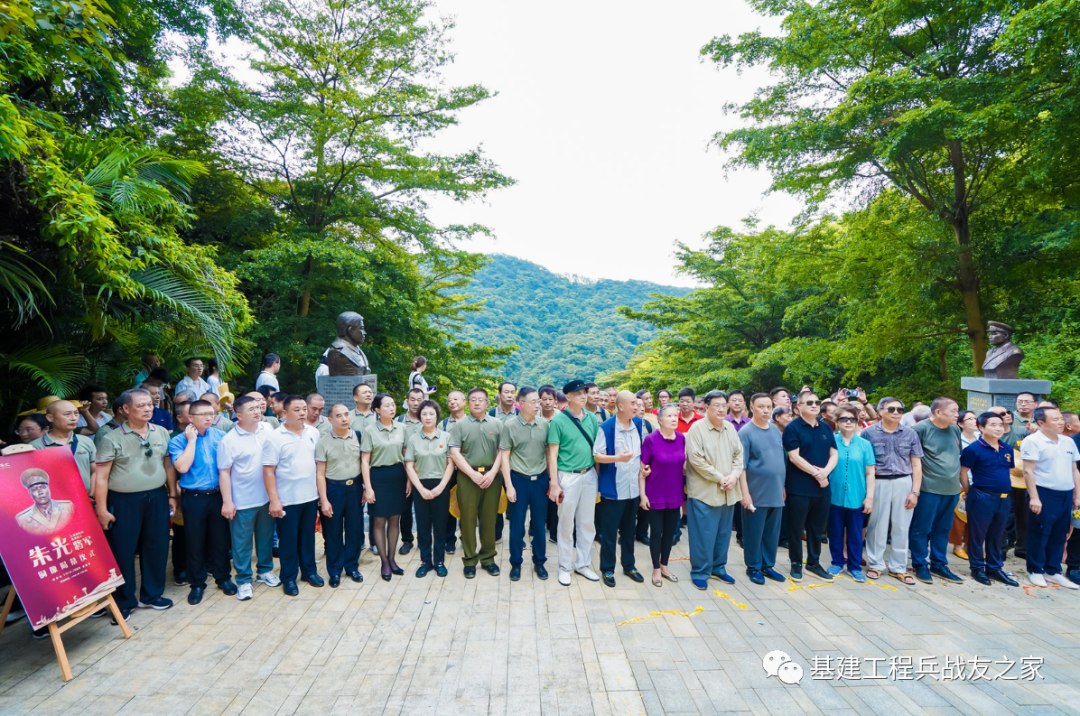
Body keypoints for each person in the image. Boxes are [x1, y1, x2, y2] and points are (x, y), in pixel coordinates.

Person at [95, 388, 176, 621]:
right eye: (141, 405)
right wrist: (101, 509)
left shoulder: (160, 431)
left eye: (150, 404)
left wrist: (172, 494)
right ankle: (124, 600)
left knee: (157, 546)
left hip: (157, 497)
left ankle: (152, 595)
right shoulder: (111, 438)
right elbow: (101, 477)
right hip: (123, 501)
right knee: (123, 550)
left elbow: (168, 465)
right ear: (125, 409)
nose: (148, 408)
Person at [169, 399, 236, 605]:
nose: (210, 418)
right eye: (204, 414)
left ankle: (223, 578)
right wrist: (191, 441)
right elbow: (182, 467)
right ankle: (197, 583)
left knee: (220, 540)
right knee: (195, 541)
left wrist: (228, 499)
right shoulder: (179, 441)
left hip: (218, 495)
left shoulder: (221, 436)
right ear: (190, 418)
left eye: (212, 413)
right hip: (194, 497)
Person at [218, 395, 279, 602]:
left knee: (265, 538)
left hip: (266, 497)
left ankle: (265, 571)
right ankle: (244, 580)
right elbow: (224, 472)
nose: (257, 411)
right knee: (242, 543)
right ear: (238, 415)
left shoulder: (268, 429)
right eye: (251, 409)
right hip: (242, 500)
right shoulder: (229, 440)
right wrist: (228, 501)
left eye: (258, 407)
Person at [263, 395, 323, 596]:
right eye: (297, 410)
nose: (302, 413)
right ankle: (288, 578)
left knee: (308, 538)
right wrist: (274, 500)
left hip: (310, 496)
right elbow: (269, 471)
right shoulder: (274, 437)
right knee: (288, 541)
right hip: (287, 499)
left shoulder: (313, 433)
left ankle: (309, 572)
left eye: (304, 409)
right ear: (285, 413)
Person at [683, 390, 743, 589]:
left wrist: (734, 476)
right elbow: (696, 460)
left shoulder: (730, 428)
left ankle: (718, 567)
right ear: (706, 407)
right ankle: (700, 571)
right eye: (716, 405)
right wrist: (720, 478)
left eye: (723, 405)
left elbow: (738, 455)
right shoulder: (697, 429)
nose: (721, 409)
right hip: (704, 492)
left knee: (723, 533)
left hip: (728, 491)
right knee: (703, 534)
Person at [862, 397, 924, 585]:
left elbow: (917, 464)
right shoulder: (868, 433)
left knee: (902, 526)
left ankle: (898, 567)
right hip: (878, 481)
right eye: (891, 409)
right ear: (880, 411)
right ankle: (876, 564)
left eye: (899, 409)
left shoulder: (910, 434)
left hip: (903, 482)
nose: (896, 412)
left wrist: (915, 491)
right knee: (877, 525)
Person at [547, 378, 601, 586]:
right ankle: (564, 567)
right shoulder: (559, 421)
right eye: (578, 393)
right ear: (568, 397)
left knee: (587, 523)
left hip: (589, 474)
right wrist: (554, 483)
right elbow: (553, 455)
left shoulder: (591, 419)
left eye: (585, 392)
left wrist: (597, 477)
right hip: (567, 476)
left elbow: (596, 451)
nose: (583, 395)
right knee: (566, 524)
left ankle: (583, 564)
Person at [591, 391, 646, 588]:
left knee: (629, 531)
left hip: (633, 490)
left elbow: (641, 453)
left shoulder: (638, 424)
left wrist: (643, 466)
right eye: (633, 403)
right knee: (609, 533)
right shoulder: (606, 428)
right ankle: (607, 568)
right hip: (614, 490)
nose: (637, 407)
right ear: (621, 406)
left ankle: (629, 566)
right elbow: (597, 456)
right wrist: (617, 458)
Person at [1021, 406, 1080, 589]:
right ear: (1041, 423)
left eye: (1061, 418)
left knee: (1060, 533)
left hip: (1066, 493)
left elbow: (1074, 470)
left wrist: (1077, 495)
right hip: (1044, 492)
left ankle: (1053, 570)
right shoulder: (1033, 441)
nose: (1061, 422)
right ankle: (1036, 570)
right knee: (1040, 532)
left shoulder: (1068, 441)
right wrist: (1034, 498)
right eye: (1055, 419)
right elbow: (1028, 471)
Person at [782, 390, 838, 582]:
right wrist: (817, 474)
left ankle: (813, 563)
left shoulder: (826, 429)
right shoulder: (793, 428)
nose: (814, 405)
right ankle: (796, 563)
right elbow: (794, 457)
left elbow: (834, 454)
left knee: (817, 528)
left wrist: (825, 473)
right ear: (799, 407)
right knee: (797, 528)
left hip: (822, 488)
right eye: (809, 403)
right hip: (799, 487)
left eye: (816, 403)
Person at [449, 388, 505, 578]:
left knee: (489, 519)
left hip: (492, 476)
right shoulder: (459, 425)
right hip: (467, 477)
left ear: (488, 403)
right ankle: (470, 560)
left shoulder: (497, 424)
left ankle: (488, 559)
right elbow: (455, 453)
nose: (477, 403)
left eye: (481, 400)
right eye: (473, 400)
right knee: (467, 519)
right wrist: (472, 474)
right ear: (468, 403)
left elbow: (502, 452)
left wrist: (493, 473)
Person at [908, 397, 964, 583]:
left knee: (943, 528)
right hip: (928, 489)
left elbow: (957, 456)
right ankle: (920, 563)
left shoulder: (955, 429)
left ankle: (939, 564)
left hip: (951, 489)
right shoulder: (920, 429)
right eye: (954, 411)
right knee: (921, 528)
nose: (958, 415)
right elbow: (911, 460)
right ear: (938, 412)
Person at [960, 412, 1019, 586]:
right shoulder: (973, 449)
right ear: (981, 427)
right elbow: (963, 472)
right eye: (993, 424)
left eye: (1000, 425)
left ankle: (994, 568)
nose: (998, 428)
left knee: (998, 534)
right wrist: (970, 491)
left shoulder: (1007, 449)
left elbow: (1007, 472)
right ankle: (977, 568)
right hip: (981, 496)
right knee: (978, 535)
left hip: (1004, 498)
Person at [499, 387, 551, 581]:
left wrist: (552, 480)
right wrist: (509, 485)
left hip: (540, 480)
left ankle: (539, 562)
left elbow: (548, 453)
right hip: (518, 480)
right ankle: (516, 563)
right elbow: (505, 456)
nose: (539, 405)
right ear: (521, 404)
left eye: (539, 401)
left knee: (539, 524)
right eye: (534, 402)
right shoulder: (510, 426)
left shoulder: (543, 424)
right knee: (516, 525)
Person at [737, 393, 788, 585]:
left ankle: (768, 565)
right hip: (755, 492)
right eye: (761, 407)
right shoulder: (745, 433)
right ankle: (754, 567)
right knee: (753, 532)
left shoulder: (775, 430)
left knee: (771, 532)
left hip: (775, 490)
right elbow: (741, 467)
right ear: (751, 408)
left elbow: (779, 460)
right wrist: (745, 494)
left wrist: (782, 485)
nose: (765, 410)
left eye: (768, 407)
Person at [315, 403, 365, 587]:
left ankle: (352, 567)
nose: (344, 418)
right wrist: (324, 499)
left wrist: (365, 488)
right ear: (330, 420)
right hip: (333, 489)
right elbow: (320, 473)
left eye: (346, 414)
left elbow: (365, 465)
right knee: (333, 531)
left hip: (355, 487)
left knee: (354, 529)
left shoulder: (358, 437)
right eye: (339, 416)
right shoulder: (323, 442)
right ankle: (334, 571)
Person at [361, 393, 408, 581]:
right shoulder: (369, 430)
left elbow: (406, 456)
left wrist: (409, 480)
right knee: (379, 521)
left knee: (395, 519)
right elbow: (365, 461)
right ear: (377, 410)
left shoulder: (402, 428)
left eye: (393, 404)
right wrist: (368, 487)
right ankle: (384, 562)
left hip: (397, 475)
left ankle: (392, 558)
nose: (392, 407)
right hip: (378, 476)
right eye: (387, 405)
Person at [825, 405, 875, 582]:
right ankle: (837, 562)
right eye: (844, 419)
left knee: (855, 534)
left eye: (852, 419)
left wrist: (869, 497)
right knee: (836, 532)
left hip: (857, 497)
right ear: (837, 422)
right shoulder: (831, 441)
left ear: (857, 421)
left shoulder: (864, 444)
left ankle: (854, 566)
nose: (848, 422)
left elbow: (870, 472)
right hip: (834, 496)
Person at [405, 400, 454, 578]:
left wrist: (442, 486)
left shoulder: (446, 437)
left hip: (441, 484)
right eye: (424, 414)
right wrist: (420, 489)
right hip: (420, 485)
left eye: (431, 414)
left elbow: (450, 464)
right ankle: (425, 561)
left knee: (440, 526)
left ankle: (439, 561)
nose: (428, 417)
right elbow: (409, 466)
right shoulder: (413, 438)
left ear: (437, 416)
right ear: (420, 417)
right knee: (423, 526)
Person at [639, 404, 684, 587]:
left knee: (669, 534)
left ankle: (665, 566)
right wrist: (643, 495)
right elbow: (642, 471)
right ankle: (656, 568)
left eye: (676, 416)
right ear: (660, 420)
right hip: (655, 493)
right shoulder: (650, 439)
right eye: (669, 416)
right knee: (656, 533)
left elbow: (683, 466)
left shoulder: (681, 438)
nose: (674, 419)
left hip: (675, 493)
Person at [32, 400, 96, 493]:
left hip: (88, 501)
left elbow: (95, 471)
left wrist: (91, 495)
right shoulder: (36, 446)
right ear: (50, 418)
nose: (74, 418)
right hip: (55, 503)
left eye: (76, 413)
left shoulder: (86, 441)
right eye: (67, 414)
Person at [396, 387, 425, 555]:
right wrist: (408, 477)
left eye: (419, 399)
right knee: (405, 509)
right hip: (404, 473)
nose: (415, 403)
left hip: (425, 472)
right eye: (412, 399)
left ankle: (424, 539)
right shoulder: (398, 422)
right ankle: (407, 540)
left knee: (423, 509)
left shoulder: (428, 419)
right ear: (407, 402)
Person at [439, 389, 468, 553]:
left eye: (456, 399)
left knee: (467, 506)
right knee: (449, 506)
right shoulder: (442, 424)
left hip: (467, 471)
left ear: (464, 401)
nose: (452, 402)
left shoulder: (472, 422)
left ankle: (466, 537)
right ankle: (449, 539)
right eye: (450, 400)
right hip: (448, 471)